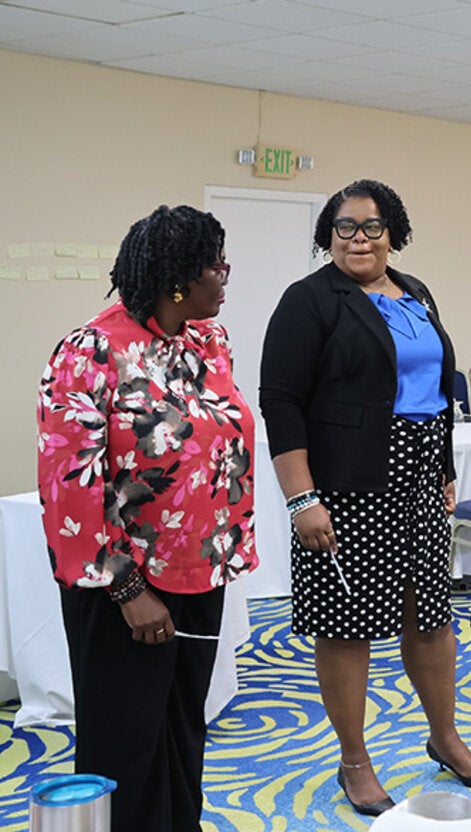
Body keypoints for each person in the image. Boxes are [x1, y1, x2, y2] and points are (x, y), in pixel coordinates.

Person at [260, 180, 471, 815]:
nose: (359, 239)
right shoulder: (309, 301)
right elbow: (281, 402)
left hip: (420, 475)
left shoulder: (415, 292)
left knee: (431, 613)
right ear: (327, 235)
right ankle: (354, 761)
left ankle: (444, 737)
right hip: (345, 484)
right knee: (347, 624)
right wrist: (299, 498)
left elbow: (433, 389)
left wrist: (443, 465)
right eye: (345, 227)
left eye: (371, 227)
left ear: (393, 231)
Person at [38, 205, 257, 832]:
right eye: (217, 265)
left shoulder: (208, 342)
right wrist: (127, 588)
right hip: (126, 589)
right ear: (177, 279)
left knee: (184, 732)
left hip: (201, 571)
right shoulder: (91, 351)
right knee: (124, 746)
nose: (226, 277)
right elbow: (68, 485)